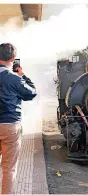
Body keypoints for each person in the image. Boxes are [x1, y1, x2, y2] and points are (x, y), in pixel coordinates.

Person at [0, 43, 37, 194]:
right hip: (10, 126)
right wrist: (23, 75)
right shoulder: (14, 79)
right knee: (9, 169)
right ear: (13, 58)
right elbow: (32, 93)